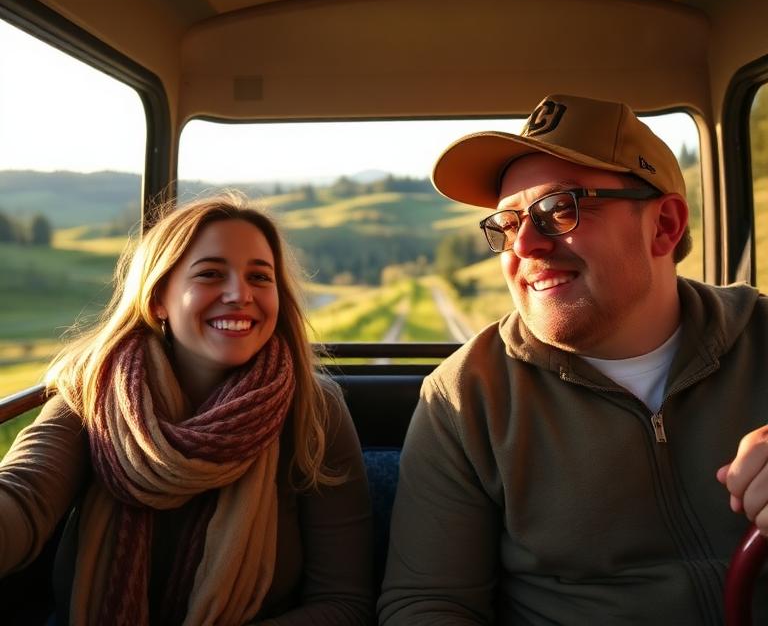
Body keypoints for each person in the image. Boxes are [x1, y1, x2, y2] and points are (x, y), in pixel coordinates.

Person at [378, 94, 768, 625]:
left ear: (664, 226)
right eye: (508, 224)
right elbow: (427, 603)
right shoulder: (466, 398)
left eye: (560, 209)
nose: (526, 247)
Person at [0, 193, 374, 625]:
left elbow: (345, 602)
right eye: (211, 274)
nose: (240, 294)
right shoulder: (93, 394)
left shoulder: (315, 410)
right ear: (159, 298)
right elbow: (23, 497)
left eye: (260, 277)